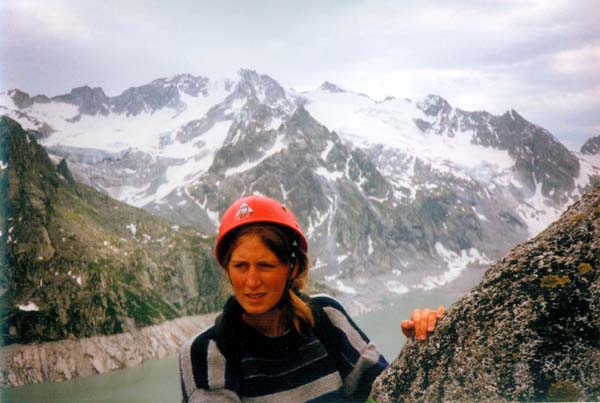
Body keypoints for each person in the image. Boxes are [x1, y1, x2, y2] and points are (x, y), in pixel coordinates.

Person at [179, 195, 444, 402]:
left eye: (266, 266)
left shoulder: (327, 318)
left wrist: (427, 344)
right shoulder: (206, 352)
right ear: (227, 268)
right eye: (240, 266)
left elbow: (388, 393)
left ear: (292, 268)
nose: (251, 281)